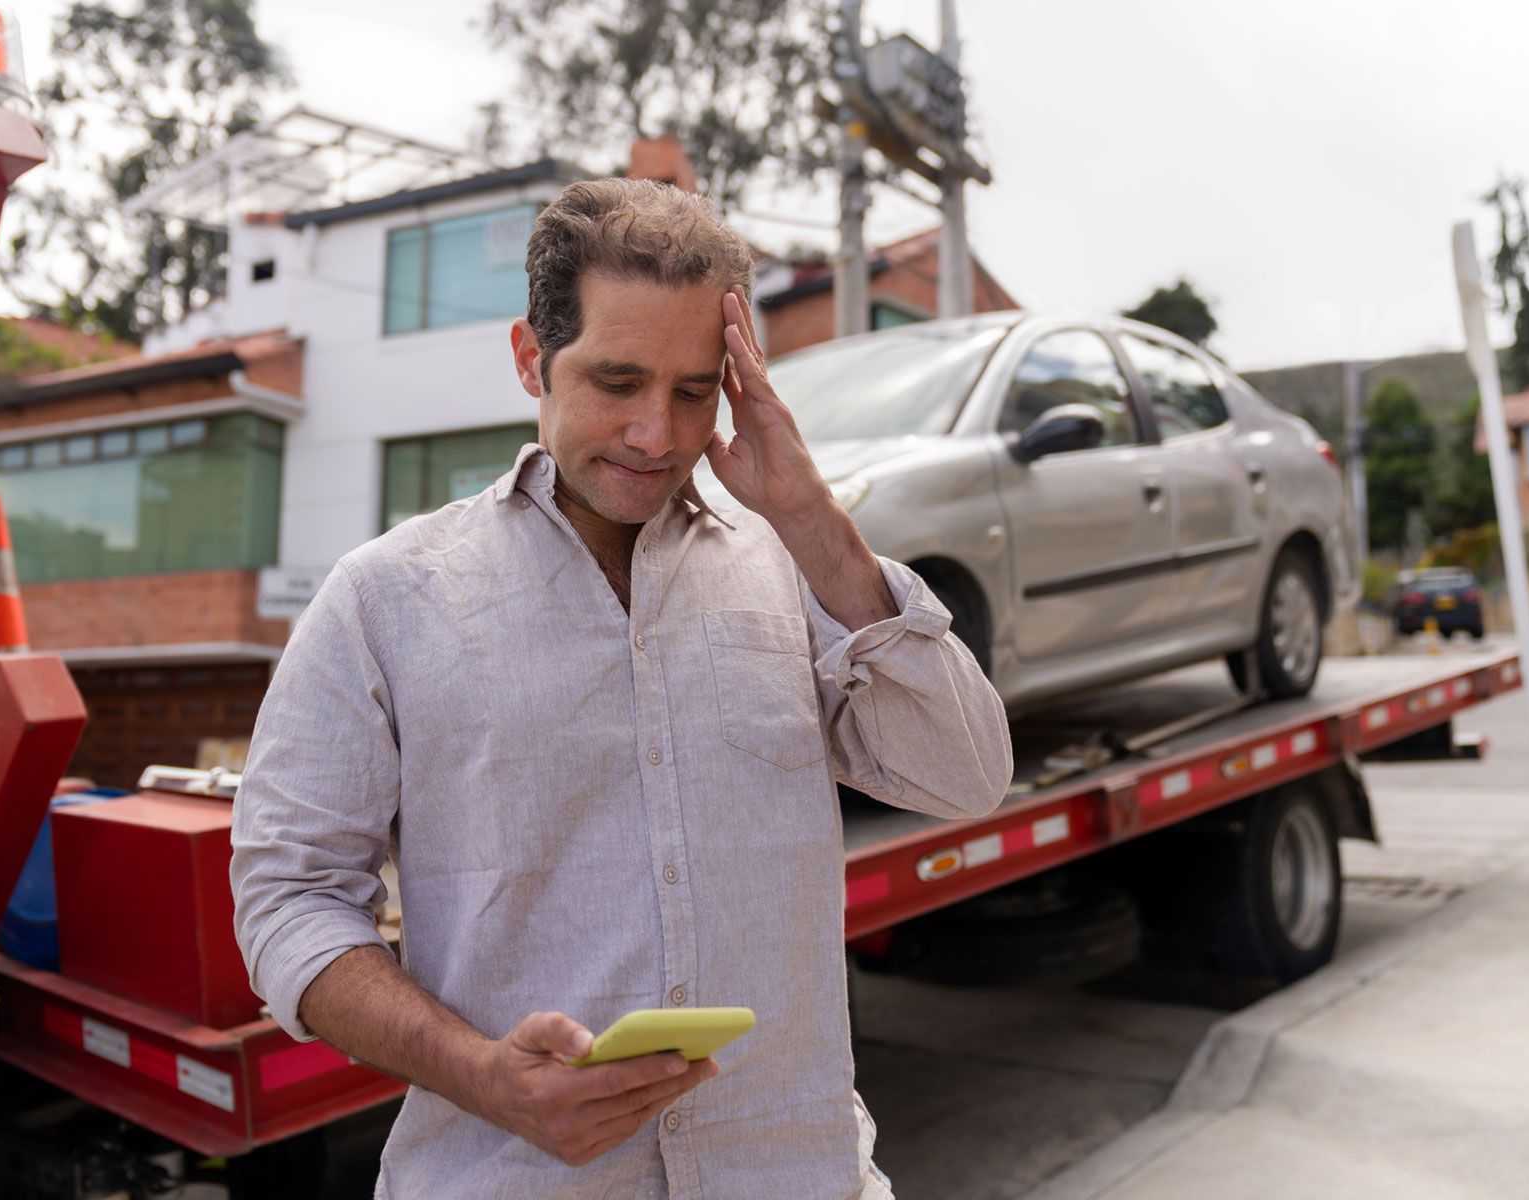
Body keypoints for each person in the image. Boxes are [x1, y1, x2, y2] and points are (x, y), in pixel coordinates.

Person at [231, 178, 1011, 1199]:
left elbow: (969, 777)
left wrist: (811, 516)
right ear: (530, 360)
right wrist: (485, 1077)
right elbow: (287, 901)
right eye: (617, 381)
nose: (657, 433)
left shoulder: (794, 568)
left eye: (695, 391)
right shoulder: (387, 598)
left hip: (795, 1172)